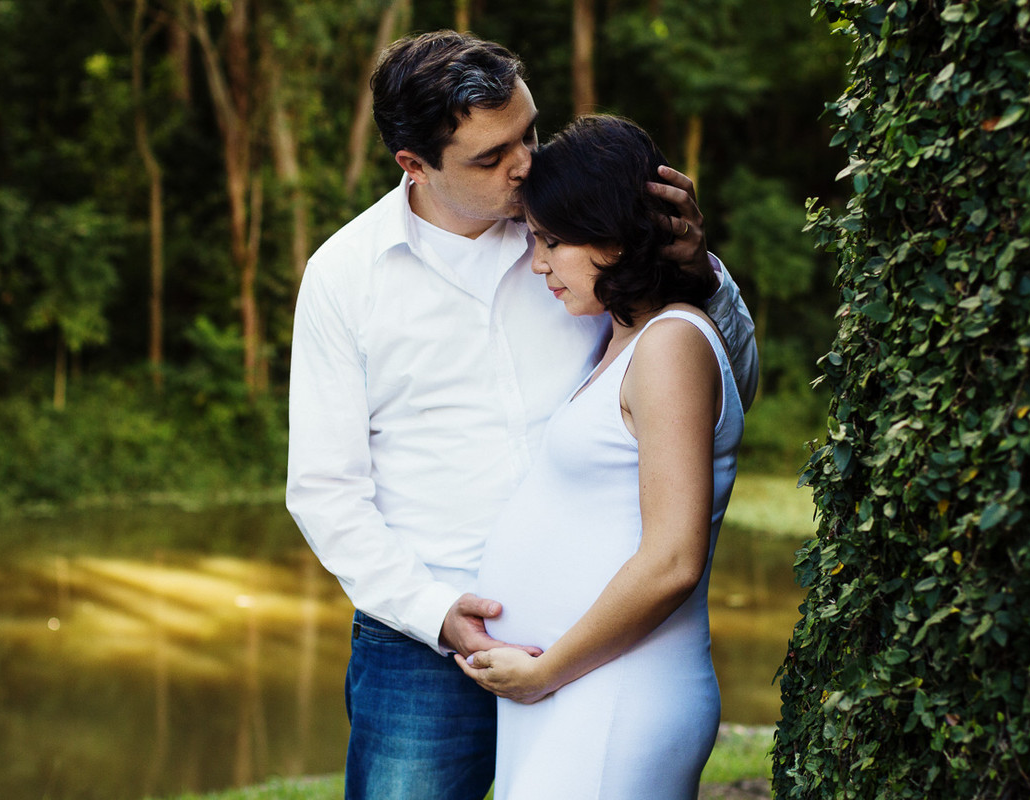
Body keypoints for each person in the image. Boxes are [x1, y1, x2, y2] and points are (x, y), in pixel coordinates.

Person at [286, 31, 757, 800]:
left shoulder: (586, 227)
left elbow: (725, 380)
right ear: (414, 164)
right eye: (490, 156)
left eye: (528, 133)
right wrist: (437, 614)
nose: (526, 163)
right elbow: (323, 489)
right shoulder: (345, 277)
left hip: (595, 637)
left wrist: (701, 272)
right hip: (426, 647)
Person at [455, 114, 744, 800]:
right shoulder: (622, 341)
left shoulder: (672, 343)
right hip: (578, 688)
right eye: (534, 240)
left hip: (613, 694)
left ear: (614, 233)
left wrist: (547, 670)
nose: (539, 263)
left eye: (554, 241)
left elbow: (673, 559)